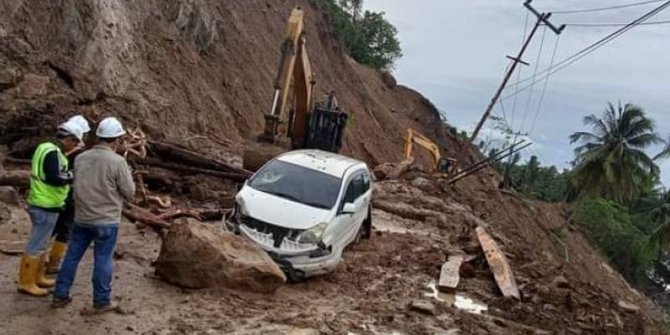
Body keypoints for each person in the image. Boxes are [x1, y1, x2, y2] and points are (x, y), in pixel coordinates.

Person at [52, 117, 136, 312]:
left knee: (72, 257)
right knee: (103, 260)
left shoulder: (81, 157)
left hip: (82, 217)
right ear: (115, 139)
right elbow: (130, 193)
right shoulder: (118, 162)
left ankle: (60, 295)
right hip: (107, 220)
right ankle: (101, 301)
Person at [18, 121, 84, 297]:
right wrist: (72, 176)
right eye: (75, 142)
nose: (75, 146)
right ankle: (26, 282)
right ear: (69, 139)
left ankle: (37, 276)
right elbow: (55, 177)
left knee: (41, 243)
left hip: (45, 202)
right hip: (45, 203)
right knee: (36, 245)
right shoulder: (53, 152)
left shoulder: (46, 148)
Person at [46, 115, 91, 274]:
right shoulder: (78, 154)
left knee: (50, 230)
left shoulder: (57, 151)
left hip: (55, 197)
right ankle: (53, 263)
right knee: (64, 230)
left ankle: (42, 260)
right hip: (68, 197)